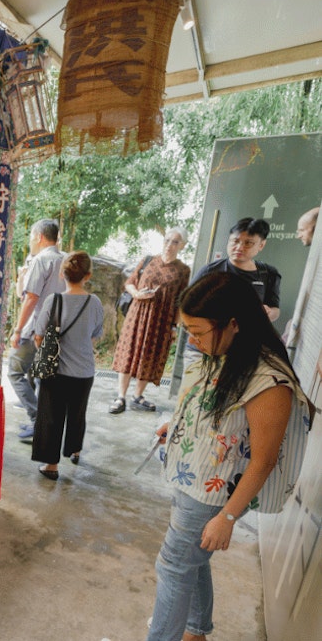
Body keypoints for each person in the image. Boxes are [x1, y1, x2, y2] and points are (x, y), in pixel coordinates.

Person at [146, 273, 312, 641]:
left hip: (210, 495)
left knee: (174, 566)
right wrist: (176, 425)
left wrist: (228, 516)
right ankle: (195, 630)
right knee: (192, 561)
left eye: (198, 330)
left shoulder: (269, 380)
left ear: (234, 324)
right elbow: (212, 406)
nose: (192, 338)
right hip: (192, 478)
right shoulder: (225, 352)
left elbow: (264, 462)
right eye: (187, 328)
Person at [30, 251, 103, 480]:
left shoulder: (54, 300)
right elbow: (95, 334)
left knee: (51, 416)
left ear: (62, 274)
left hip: (56, 372)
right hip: (84, 373)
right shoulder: (95, 302)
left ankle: (51, 466)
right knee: (77, 414)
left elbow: (39, 335)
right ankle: (75, 450)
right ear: (88, 275)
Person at [110, 228, 191, 414]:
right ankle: (120, 396)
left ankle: (137, 396)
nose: (169, 245)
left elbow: (181, 300)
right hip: (137, 314)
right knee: (129, 351)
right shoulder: (148, 260)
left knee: (150, 354)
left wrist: (174, 327)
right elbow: (129, 282)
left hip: (162, 320)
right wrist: (137, 293)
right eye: (168, 240)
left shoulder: (183, 270)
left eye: (175, 242)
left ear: (183, 246)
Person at [8, 219, 66, 442]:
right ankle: (43, 423)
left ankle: (37, 420)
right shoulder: (65, 260)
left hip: (36, 329)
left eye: (32, 237)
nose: (31, 241)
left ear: (40, 237)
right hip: (56, 329)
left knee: (14, 371)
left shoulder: (42, 261)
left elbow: (31, 298)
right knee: (43, 379)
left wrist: (17, 329)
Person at [192, 217, 280, 322]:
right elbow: (187, 305)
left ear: (261, 245)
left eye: (248, 243)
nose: (239, 247)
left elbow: (275, 309)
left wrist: (269, 313)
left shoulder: (269, 273)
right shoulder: (209, 271)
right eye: (235, 241)